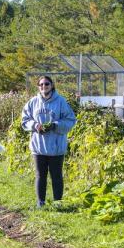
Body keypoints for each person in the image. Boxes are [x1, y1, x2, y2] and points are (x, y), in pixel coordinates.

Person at [21, 75, 77, 207]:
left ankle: (58, 203)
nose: (44, 86)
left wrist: (55, 125)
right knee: (40, 175)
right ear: (38, 87)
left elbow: (70, 120)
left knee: (56, 175)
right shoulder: (33, 102)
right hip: (38, 146)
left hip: (56, 146)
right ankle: (41, 203)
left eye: (46, 84)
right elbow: (24, 120)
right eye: (41, 84)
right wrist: (35, 126)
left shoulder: (61, 102)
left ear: (52, 86)